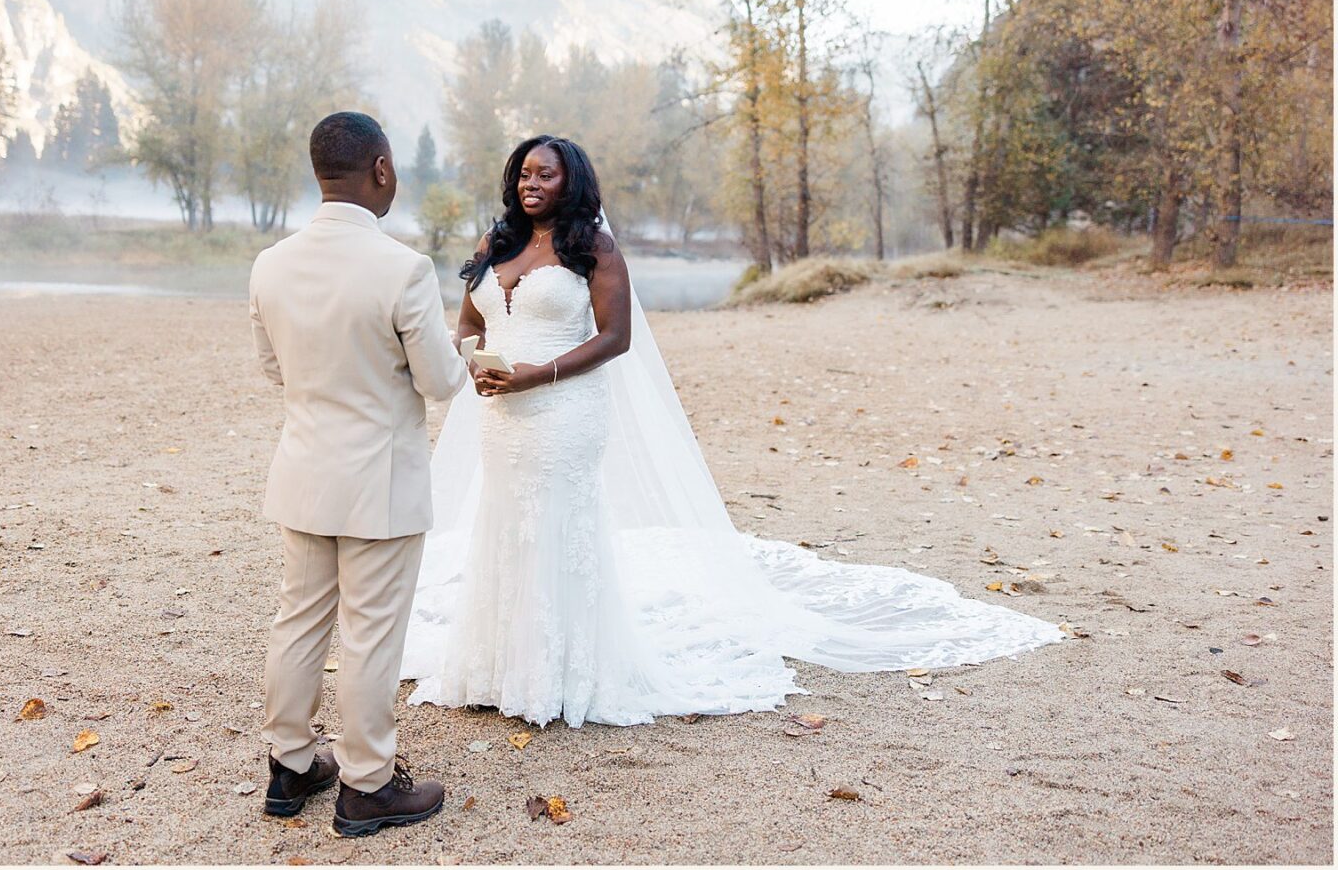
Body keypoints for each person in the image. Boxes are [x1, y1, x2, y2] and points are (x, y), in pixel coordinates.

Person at [400, 134, 1064, 728]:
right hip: (502, 412)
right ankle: (494, 667)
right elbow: (468, 323)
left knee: (556, 528)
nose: (530, 183)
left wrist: (537, 373)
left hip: (563, 410)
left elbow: (616, 337)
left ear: (573, 183)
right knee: (505, 523)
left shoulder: (592, 250)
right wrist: (472, 361)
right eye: (523, 173)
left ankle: (558, 674)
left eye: (545, 174)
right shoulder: (497, 245)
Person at [249, 111, 466, 836]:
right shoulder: (401, 268)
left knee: (300, 620)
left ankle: (289, 764)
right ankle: (366, 784)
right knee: (371, 635)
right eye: (393, 167)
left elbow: (274, 368)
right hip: (380, 483)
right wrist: (469, 350)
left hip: (304, 473)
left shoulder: (270, 264)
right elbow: (440, 381)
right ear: (380, 171)